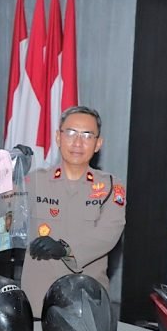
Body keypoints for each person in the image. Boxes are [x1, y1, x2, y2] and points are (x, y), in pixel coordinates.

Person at [21, 106, 126, 315]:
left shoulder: (111, 186)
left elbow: (108, 235)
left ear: (98, 144)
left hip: (86, 299)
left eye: (87, 135)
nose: (78, 142)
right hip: (38, 300)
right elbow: (4, 222)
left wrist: (64, 248)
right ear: (58, 137)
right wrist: (10, 175)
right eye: (70, 133)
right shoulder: (32, 182)